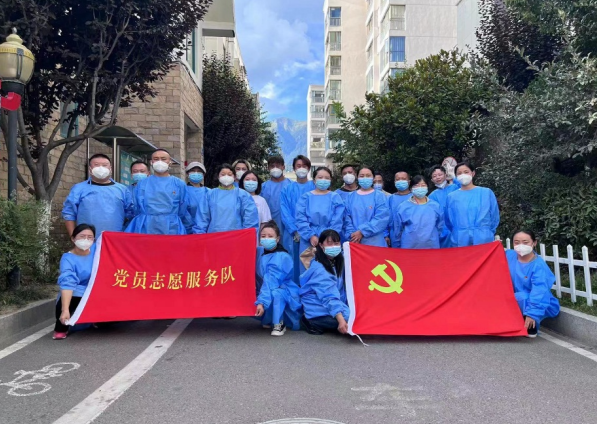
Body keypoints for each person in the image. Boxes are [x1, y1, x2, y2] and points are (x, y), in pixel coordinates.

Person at [63, 154, 134, 237]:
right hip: (87, 239)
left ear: (110, 168)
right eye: (96, 165)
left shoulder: (122, 190)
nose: (101, 168)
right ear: (90, 169)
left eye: (104, 165)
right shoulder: (79, 189)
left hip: (115, 238)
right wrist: (74, 237)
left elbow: (131, 214)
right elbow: (69, 214)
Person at [506, 230, 560, 337]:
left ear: (534, 243)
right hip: (515, 298)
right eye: (516, 242)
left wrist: (532, 314)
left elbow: (540, 291)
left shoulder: (538, 266)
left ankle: (531, 326)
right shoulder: (509, 255)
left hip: (538, 302)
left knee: (522, 297)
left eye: (525, 242)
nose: (521, 245)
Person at [255, 221, 301, 336]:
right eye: (263, 236)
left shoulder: (282, 257)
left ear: (278, 239)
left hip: (283, 290)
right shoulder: (259, 252)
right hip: (265, 289)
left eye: (270, 236)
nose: (266, 239)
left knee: (276, 293)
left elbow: (271, 281)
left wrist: (261, 302)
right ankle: (267, 319)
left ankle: (279, 322)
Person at [125, 149, 188, 235]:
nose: (159, 161)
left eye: (163, 159)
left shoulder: (178, 184)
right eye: (156, 159)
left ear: (170, 162)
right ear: (151, 162)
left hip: (172, 227)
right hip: (146, 226)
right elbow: (137, 208)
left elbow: (183, 208)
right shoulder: (142, 184)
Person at [300, 230, 350, 335]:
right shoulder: (320, 269)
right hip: (317, 307)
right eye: (329, 243)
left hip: (330, 302)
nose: (333, 247)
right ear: (321, 245)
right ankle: (312, 322)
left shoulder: (336, 261)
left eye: (336, 243)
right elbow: (328, 296)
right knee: (352, 319)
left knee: (357, 315)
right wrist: (341, 319)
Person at [295, 167, 345, 272]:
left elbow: (337, 220)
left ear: (330, 180)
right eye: (320, 177)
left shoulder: (335, 198)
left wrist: (327, 237)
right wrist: (310, 235)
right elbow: (300, 219)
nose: (323, 180)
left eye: (327, 178)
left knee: (329, 271)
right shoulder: (305, 198)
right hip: (309, 240)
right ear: (314, 180)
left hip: (329, 240)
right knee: (308, 270)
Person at [53, 224, 96, 340]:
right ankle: (62, 327)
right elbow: (67, 283)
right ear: (73, 238)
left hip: (95, 291)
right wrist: (65, 310)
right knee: (66, 305)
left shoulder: (97, 252)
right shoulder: (68, 258)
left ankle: (98, 321)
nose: (86, 240)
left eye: (90, 237)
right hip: (76, 293)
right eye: (82, 236)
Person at [194, 164, 259, 234]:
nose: (226, 176)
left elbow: (250, 219)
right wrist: (199, 236)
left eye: (229, 174)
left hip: (237, 237)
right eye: (223, 174)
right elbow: (202, 220)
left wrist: (247, 236)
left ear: (234, 177)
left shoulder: (243, 195)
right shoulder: (209, 195)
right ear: (218, 177)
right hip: (214, 236)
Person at [445, 162, 500, 247]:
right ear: (456, 176)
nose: (463, 175)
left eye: (466, 172)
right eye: (459, 173)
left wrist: (486, 232)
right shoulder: (451, 197)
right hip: (460, 238)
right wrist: (459, 232)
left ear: (473, 173)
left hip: (483, 237)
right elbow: (448, 220)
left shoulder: (486, 193)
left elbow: (494, 216)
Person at [280, 155, 316, 283]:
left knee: (311, 263)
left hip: (312, 233)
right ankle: (293, 291)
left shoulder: (315, 187)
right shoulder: (287, 189)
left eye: (304, 166)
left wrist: (308, 232)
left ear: (309, 168)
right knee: (292, 262)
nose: (301, 168)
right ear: (294, 169)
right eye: (298, 166)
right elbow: (285, 212)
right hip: (292, 235)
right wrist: (294, 230)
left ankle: (310, 292)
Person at [344, 166, 390, 247]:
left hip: (375, 242)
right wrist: (352, 234)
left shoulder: (379, 196)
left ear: (373, 178)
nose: (365, 178)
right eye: (362, 176)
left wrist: (362, 231)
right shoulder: (350, 197)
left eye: (368, 176)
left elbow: (381, 218)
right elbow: (346, 218)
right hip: (355, 241)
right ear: (357, 177)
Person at [393, 175, 443, 249]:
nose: (420, 188)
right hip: (409, 246)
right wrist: (397, 246)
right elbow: (398, 229)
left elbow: (440, 226)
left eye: (423, 185)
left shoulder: (435, 206)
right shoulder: (403, 207)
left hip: (431, 245)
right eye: (416, 185)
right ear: (411, 188)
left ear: (427, 187)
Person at [261, 155, 293, 240]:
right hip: (269, 227)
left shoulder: (292, 186)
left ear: (283, 167)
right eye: (272, 166)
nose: (275, 168)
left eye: (278, 165)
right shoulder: (263, 187)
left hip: (289, 228)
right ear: (268, 168)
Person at [429, 165, 459, 248]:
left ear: (446, 175)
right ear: (432, 180)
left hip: (458, 227)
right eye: (434, 176)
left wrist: (454, 177)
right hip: (443, 232)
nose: (438, 177)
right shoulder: (432, 196)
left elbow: (466, 187)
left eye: (440, 174)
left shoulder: (455, 188)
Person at [387, 171, 412, 247]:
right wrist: (386, 235)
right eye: (398, 179)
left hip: (413, 236)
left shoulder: (415, 197)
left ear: (409, 181)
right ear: (394, 182)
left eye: (403, 179)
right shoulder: (390, 199)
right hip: (394, 236)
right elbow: (385, 217)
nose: (400, 181)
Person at [183, 162, 209, 234]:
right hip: (187, 230)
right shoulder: (183, 191)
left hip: (206, 230)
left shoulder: (208, 192)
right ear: (187, 174)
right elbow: (183, 212)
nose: (196, 173)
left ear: (203, 175)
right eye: (193, 171)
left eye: (199, 171)